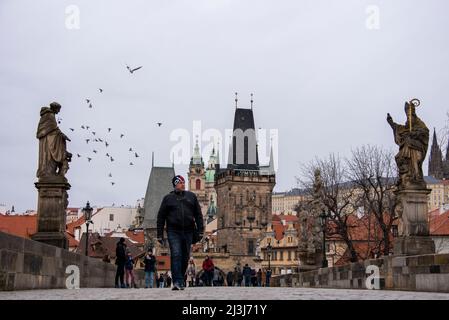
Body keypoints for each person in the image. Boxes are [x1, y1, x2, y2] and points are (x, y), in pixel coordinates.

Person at [157, 175, 204, 290]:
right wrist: (159, 234)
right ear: (175, 184)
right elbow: (161, 217)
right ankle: (177, 281)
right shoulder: (168, 198)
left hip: (188, 231)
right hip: (173, 231)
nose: (183, 184)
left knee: (185, 257)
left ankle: (181, 279)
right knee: (176, 254)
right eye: (180, 182)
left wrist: (200, 230)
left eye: (183, 182)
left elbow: (198, 214)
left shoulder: (191, 196)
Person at [387, 100, 429, 190]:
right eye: (407, 116)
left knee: (408, 143)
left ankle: (415, 176)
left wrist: (414, 134)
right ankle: (406, 176)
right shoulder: (407, 125)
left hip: (417, 147)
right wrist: (391, 123)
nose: (408, 118)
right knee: (399, 157)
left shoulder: (419, 124)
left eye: (410, 116)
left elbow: (425, 132)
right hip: (408, 147)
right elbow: (399, 128)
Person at [36, 102, 72, 179]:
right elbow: (52, 128)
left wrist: (61, 134)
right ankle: (48, 173)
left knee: (51, 157)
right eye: (58, 109)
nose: (59, 111)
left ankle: (50, 172)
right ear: (55, 108)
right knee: (48, 157)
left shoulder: (49, 115)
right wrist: (61, 135)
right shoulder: (50, 115)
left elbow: (53, 128)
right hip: (48, 140)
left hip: (50, 138)